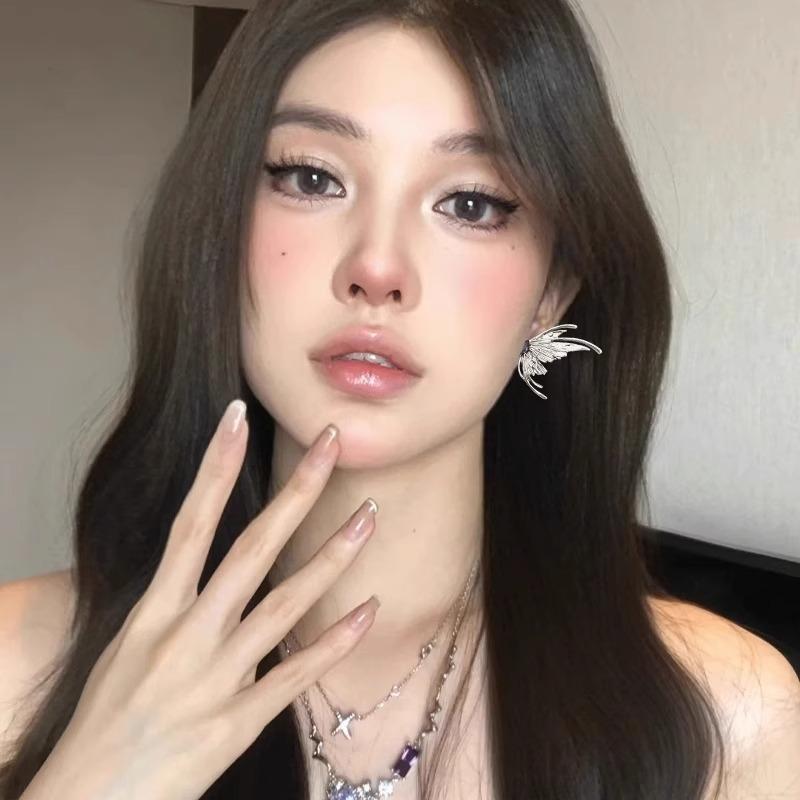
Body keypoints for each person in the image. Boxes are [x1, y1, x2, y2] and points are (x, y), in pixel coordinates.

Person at [2, 1, 799, 799]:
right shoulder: (14, 665)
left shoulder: (726, 721)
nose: (377, 268)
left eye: (472, 203)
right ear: (221, 227)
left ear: (553, 289)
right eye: (311, 178)